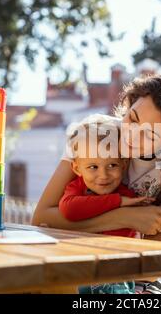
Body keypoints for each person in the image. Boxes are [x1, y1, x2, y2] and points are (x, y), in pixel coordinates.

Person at [33, 73, 161, 293]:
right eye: (132, 118)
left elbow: (152, 270)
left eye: (149, 135)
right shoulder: (91, 135)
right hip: (82, 263)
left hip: (142, 285)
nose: (131, 136)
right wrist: (125, 217)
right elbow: (42, 217)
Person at [59, 119, 153, 294]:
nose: (103, 175)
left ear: (123, 165)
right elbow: (69, 209)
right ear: (77, 168)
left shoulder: (130, 197)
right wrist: (117, 202)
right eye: (93, 167)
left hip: (115, 277)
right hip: (79, 268)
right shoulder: (78, 187)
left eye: (112, 165)